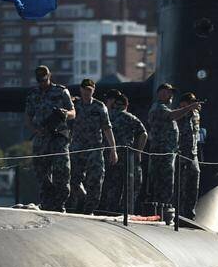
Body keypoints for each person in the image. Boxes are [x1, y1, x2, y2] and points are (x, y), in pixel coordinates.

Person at [24, 65, 75, 212]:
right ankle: (47, 202)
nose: (43, 82)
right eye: (40, 80)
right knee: (41, 172)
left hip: (59, 137)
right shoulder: (33, 94)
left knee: (62, 172)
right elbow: (28, 116)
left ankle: (60, 204)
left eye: (45, 79)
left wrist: (65, 114)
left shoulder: (61, 91)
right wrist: (35, 130)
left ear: (49, 76)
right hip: (41, 138)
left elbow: (73, 112)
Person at [147, 82, 201, 219]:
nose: (170, 95)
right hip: (161, 154)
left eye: (171, 92)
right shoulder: (158, 108)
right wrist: (190, 108)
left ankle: (169, 213)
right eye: (167, 92)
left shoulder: (189, 115)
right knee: (163, 185)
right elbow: (172, 116)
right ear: (159, 93)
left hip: (171, 154)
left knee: (169, 185)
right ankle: (161, 214)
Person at [67, 78, 117, 214]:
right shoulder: (74, 105)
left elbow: (107, 128)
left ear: (93, 90)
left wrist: (113, 150)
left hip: (94, 149)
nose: (87, 92)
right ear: (81, 89)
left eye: (90, 90)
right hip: (77, 148)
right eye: (85, 90)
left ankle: (89, 209)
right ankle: (82, 197)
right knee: (73, 179)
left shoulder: (100, 107)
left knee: (95, 181)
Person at [101, 91, 147, 214]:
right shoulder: (130, 117)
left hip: (110, 157)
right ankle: (126, 213)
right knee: (131, 187)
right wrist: (138, 152)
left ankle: (109, 211)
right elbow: (144, 134)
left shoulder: (107, 116)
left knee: (112, 187)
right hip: (127, 158)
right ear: (126, 105)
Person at [176, 92, 202, 219]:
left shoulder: (196, 115)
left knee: (193, 184)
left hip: (193, 154)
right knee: (182, 184)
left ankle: (190, 213)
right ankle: (179, 212)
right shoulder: (179, 114)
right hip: (182, 153)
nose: (194, 104)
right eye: (191, 102)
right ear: (183, 103)